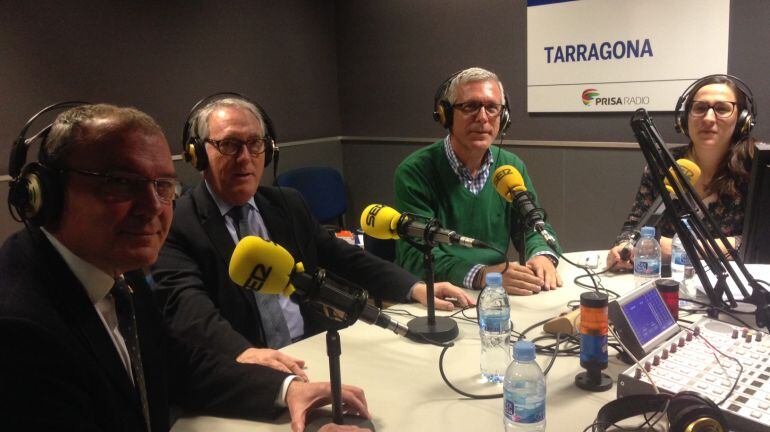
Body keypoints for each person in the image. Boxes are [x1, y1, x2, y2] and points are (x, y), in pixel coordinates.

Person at [0, 104, 370, 432]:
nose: (153, 206)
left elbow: (178, 365)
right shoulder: (20, 329)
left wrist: (287, 390)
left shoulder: (120, 271)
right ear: (46, 193)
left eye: (163, 185)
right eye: (122, 183)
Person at [151, 95, 473, 373]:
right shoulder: (178, 224)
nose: (245, 157)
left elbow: (343, 257)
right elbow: (190, 312)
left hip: (314, 352)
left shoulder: (286, 204)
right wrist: (243, 353)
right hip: (245, 370)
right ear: (197, 153)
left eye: (255, 144)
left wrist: (414, 286)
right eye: (229, 145)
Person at [394, 67, 563, 296]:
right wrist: (481, 275)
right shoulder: (415, 171)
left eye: (492, 108)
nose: (483, 117)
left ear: (503, 117)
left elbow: (533, 227)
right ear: (446, 114)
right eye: (470, 106)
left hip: (496, 291)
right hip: (441, 295)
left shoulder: (510, 167)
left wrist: (542, 255)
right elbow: (414, 255)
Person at [607, 75, 759, 271]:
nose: (708, 118)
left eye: (722, 109)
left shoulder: (756, 167)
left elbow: (760, 243)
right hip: (669, 279)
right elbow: (634, 226)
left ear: (743, 120)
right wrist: (624, 247)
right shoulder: (662, 163)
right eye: (700, 108)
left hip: (736, 280)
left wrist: (682, 248)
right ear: (684, 119)